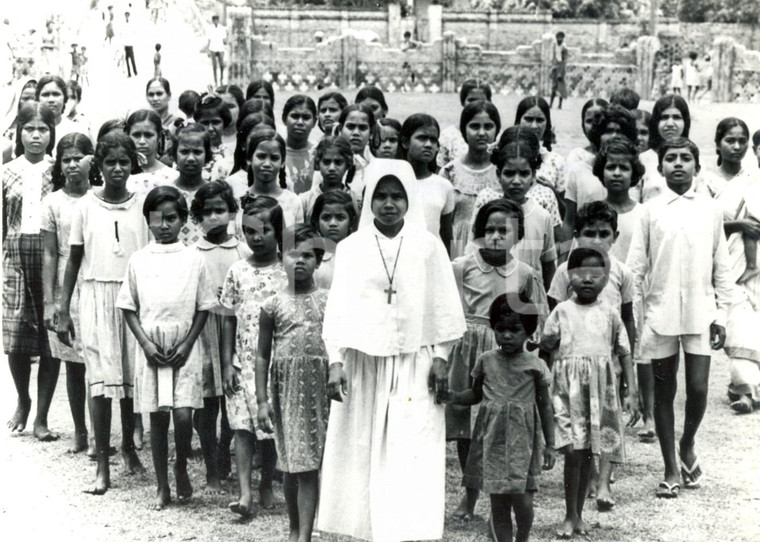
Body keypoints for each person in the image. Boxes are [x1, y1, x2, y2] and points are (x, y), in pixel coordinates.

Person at [317, 159, 467, 541]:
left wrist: (440, 357)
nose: (388, 204)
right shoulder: (352, 248)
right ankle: (366, 528)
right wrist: (336, 361)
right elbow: (339, 308)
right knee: (362, 446)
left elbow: (444, 306)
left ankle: (407, 529)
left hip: (413, 361)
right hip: (364, 362)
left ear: (409, 198)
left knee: (410, 446)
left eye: (397, 196)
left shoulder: (427, 246)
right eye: (380, 196)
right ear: (368, 200)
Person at [626, 137, 736, 498]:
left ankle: (687, 442)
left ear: (697, 166)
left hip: (700, 311)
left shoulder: (710, 209)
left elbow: (722, 265)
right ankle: (671, 467)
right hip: (660, 312)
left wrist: (722, 314)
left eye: (685, 158)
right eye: (670, 158)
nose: (678, 164)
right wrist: (636, 316)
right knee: (663, 390)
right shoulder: (650, 210)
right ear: (660, 167)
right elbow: (636, 268)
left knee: (699, 388)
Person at [57, 132, 151, 495]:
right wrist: (63, 309)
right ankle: (101, 464)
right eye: (110, 162)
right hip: (95, 295)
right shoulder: (85, 207)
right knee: (99, 379)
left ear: (133, 165)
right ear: (98, 164)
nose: (116, 168)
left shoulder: (142, 205)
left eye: (123, 162)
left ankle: (128, 446)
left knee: (129, 378)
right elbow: (74, 259)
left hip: (132, 298)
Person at [447, 199, 548, 521]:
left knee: (499, 421)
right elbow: (446, 308)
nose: (495, 237)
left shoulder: (525, 273)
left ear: (517, 235)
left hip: (505, 349)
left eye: (503, 230)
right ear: (478, 233)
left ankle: (503, 489)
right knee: (465, 422)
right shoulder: (461, 266)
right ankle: (470, 494)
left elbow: (534, 316)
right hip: (466, 343)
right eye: (488, 230)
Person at [118, 186, 216, 510]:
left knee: (185, 416)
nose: (164, 225)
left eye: (171, 218)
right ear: (148, 220)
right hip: (152, 348)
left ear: (183, 220)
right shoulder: (138, 259)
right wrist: (145, 344)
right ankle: (163, 485)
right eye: (157, 219)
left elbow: (204, 306)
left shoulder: (193, 259)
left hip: (184, 347)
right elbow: (128, 306)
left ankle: (181, 465)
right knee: (158, 419)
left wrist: (188, 343)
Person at [540, 246, 637, 537]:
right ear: (569, 276)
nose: (587, 280)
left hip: (599, 392)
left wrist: (631, 391)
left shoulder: (610, 313)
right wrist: (543, 386)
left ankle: (578, 515)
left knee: (586, 455)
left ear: (606, 279)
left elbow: (624, 352)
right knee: (571, 451)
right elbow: (545, 350)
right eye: (580, 273)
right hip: (567, 392)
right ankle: (569, 513)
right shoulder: (561, 311)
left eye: (595, 275)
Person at [448, 293, 555, 542]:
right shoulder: (486, 361)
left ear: (528, 331)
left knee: (523, 499)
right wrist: (453, 396)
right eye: (500, 329)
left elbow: (545, 407)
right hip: (492, 438)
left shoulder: (535, 366)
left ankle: (523, 537)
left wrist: (550, 445)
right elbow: (474, 394)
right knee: (498, 502)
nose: (506, 335)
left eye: (514, 330)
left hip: (522, 441)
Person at [256, 224, 330, 542]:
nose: (299, 261)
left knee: (309, 463)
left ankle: (305, 536)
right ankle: (294, 527)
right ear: (280, 257)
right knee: (291, 462)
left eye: (308, 255)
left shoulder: (330, 301)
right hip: (286, 387)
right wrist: (261, 401)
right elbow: (261, 356)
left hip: (320, 387)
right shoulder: (272, 305)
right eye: (292, 254)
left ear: (318, 260)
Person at [221, 195, 287, 515]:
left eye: (265, 231)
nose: (257, 238)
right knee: (242, 427)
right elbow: (227, 319)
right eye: (250, 232)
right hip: (242, 360)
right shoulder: (236, 271)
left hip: (275, 361)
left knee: (269, 428)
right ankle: (244, 492)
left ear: (279, 232)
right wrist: (226, 364)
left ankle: (266, 484)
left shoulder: (287, 272)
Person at [3, 102, 59, 440]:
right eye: (29, 129)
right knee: (16, 340)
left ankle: (41, 416)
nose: (36, 135)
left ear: (51, 134)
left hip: (50, 257)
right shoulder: (7, 171)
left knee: (49, 338)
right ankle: (22, 399)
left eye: (42, 130)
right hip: (15, 255)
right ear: (18, 132)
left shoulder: (58, 171)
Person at [697, 118, 760, 414]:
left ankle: (744, 388)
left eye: (742, 140)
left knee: (752, 323)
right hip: (723, 262)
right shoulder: (706, 181)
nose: (737, 146)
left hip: (754, 260)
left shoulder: (754, 178)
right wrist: (739, 225)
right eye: (730, 140)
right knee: (737, 323)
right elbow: (699, 223)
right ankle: (745, 388)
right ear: (718, 144)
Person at [190, 180, 249, 486]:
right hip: (202, 330)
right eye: (207, 212)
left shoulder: (241, 250)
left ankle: (225, 449)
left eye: (220, 210)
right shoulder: (192, 253)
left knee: (231, 396)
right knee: (206, 400)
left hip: (232, 329)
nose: (214, 217)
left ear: (231, 212)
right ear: (198, 216)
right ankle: (211, 462)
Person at [41, 133, 96, 454]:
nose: (73, 164)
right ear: (59, 165)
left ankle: (104, 433)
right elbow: (50, 254)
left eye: (79, 157)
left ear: (92, 159)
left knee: (98, 362)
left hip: (96, 279)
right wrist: (51, 303)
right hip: (66, 286)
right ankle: (81, 431)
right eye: (66, 159)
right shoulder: (52, 203)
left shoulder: (100, 197)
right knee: (74, 364)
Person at [474, 133, 557, 290]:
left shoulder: (541, 216)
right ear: (499, 174)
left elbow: (548, 264)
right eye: (509, 173)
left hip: (531, 297)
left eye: (524, 173)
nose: (517, 181)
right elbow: (474, 254)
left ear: (533, 175)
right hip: (493, 290)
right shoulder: (488, 212)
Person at [563, 104, 637, 244]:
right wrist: (564, 260)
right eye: (608, 131)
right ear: (598, 134)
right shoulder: (578, 171)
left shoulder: (633, 173)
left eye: (620, 131)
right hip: (586, 249)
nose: (614, 137)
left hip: (626, 245)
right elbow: (569, 221)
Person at [440, 101, 501, 258]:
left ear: (496, 130)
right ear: (463, 131)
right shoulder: (450, 172)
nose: (481, 133)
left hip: (495, 246)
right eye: (474, 126)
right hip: (457, 247)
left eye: (488, 127)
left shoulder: (503, 171)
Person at [400, 113, 454, 248]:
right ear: (405, 142)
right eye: (422, 138)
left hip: (433, 260)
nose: (429, 145)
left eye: (433, 140)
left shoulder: (444, 186)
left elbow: (448, 234)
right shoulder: (393, 182)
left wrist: (455, 265)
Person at [240, 127, 303, 228]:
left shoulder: (293, 201)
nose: (267, 164)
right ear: (249, 159)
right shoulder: (238, 201)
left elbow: (297, 240)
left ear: (282, 162)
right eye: (261, 156)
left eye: (274, 158)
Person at [638, 95, 692, 204]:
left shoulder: (694, 159)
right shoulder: (641, 161)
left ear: (685, 121)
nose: (670, 124)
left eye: (677, 117)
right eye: (664, 117)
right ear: (656, 122)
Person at [514, 96, 566, 202]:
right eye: (528, 119)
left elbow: (566, 213)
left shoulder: (556, 162)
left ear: (547, 124)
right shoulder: (506, 156)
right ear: (518, 121)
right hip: (512, 219)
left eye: (539, 120)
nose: (534, 126)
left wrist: (552, 191)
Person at [437, 79, 492, 169]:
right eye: (471, 100)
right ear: (463, 102)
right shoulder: (448, 136)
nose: (476, 104)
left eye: (481, 100)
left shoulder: (497, 136)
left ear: (489, 102)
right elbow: (440, 173)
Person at [300, 135, 355, 223]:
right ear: (318, 163)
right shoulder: (305, 201)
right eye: (326, 162)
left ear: (347, 165)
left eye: (338, 162)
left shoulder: (353, 199)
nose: (332, 168)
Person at [310, 190, 358, 289]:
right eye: (326, 217)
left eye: (340, 218)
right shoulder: (311, 256)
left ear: (351, 222)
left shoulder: (358, 255)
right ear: (316, 221)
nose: (332, 223)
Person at [125, 109, 177, 195]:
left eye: (148, 135)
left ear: (159, 137)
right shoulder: (119, 174)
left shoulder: (172, 177)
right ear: (128, 136)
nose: (142, 141)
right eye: (136, 135)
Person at [336, 104, 375, 209]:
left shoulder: (376, 167)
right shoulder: (328, 164)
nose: (356, 133)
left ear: (371, 133)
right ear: (340, 129)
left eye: (362, 128)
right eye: (350, 126)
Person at [193, 94, 233, 183]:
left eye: (216, 122)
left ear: (224, 123)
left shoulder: (231, 158)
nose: (210, 128)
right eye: (205, 123)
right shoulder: (190, 154)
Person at [282, 95, 317, 195]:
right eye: (295, 116)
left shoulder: (319, 152)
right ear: (284, 118)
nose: (300, 122)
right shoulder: (274, 152)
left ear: (314, 122)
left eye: (306, 117)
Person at [36, 75, 80, 148]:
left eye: (56, 94)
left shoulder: (76, 130)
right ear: (38, 99)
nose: (51, 100)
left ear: (65, 98)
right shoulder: (28, 131)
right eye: (45, 95)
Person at [549, 32, 568, 109]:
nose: (559, 39)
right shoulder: (554, 45)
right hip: (555, 67)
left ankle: (560, 105)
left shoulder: (564, 47)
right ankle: (550, 104)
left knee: (560, 87)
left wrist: (560, 72)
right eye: (558, 38)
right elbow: (553, 58)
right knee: (554, 87)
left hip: (561, 68)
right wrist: (552, 69)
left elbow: (564, 60)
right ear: (556, 38)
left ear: (563, 39)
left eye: (561, 38)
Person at [207, 15, 226, 85]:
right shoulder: (210, 28)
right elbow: (209, 39)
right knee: (214, 66)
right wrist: (208, 50)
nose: (215, 21)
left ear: (218, 20)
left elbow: (224, 39)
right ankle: (215, 81)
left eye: (217, 20)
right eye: (214, 20)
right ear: (213, 21)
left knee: (222, 65)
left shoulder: (222, 28)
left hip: (220, 47)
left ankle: (221, 78)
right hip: (213, 47)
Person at [122, 12, 138, 78]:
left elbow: (134, 32)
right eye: (125, 15)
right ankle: (129, 73)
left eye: (127, 15)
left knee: (132, 59)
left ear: (129, 16)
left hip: (130, 44)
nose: (126, 17)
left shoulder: (132, 23)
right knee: (126, 60)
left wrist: (132, 40)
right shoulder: (123, 24)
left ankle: (135, 72)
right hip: (126, 45)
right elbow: (122, 33)